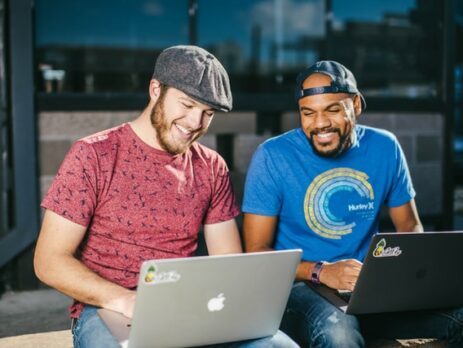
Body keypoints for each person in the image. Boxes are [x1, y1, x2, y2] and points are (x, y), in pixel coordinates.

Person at [34, 45, 297, 348]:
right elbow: (48, 261)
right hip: (107, 308)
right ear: (155, 89)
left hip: (187, 305)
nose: (195, 123)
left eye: (207, 113)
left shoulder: (211, 166)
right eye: (186, 105)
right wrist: (125, 300)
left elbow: (228, 264)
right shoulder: (93, 154)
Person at [242, 60, 463, 347]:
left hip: (368, 287)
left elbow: (409, 224)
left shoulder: (385, 147)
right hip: (300, 287)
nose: (319, 123)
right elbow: (256, 251)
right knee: (340, 335)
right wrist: (322, 271)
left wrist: (402, 276)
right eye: (308, 113)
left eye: (332, 110)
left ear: (356, 105)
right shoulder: (272, 156)